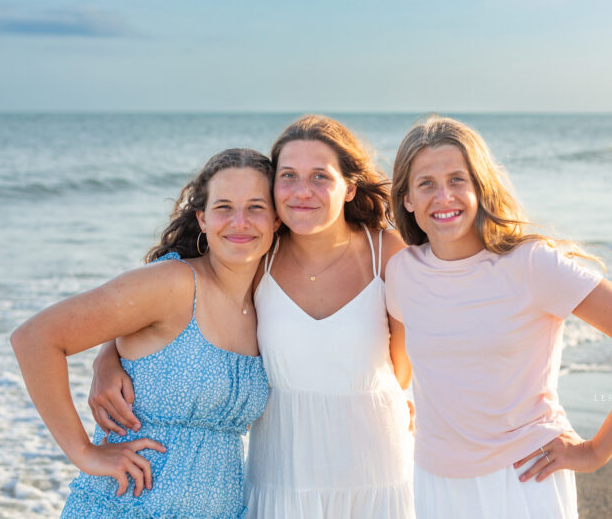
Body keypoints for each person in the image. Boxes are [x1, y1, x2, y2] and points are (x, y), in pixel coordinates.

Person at [90, 115, 416, 518]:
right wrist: (108, 357)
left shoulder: (387, 253)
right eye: (289, 176)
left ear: (349, 187)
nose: (302, 192)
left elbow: (405, 368)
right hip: (281, 468)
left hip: (376, 465)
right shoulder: (259, 253)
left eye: (320, 177)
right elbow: (173, 300)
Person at [385, 115, 612, 518]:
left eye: (458, 179)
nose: (444, 196)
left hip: (523, 478)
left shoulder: (531, 264)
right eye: (426, 184)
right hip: (432, 481)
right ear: (406, 198)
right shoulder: (403, 272)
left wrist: (597, 450)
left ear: (480, 186)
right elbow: (406, 367)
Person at [11, 148, 279, 518]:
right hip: (128, 505)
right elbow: (35, 338)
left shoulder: (268, 300)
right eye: (223, 207)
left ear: (277, 219)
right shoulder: (174, 284)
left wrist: (109, 352)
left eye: (256, 207)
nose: (240, 221)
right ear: (202, 219)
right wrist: (83, 453)